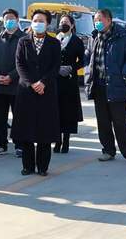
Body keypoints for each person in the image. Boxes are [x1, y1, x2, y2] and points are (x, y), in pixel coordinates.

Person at [11, 9, 61, 176]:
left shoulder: (54, 43)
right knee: (26, 130)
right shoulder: (23, 41)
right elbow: (19, 64)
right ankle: (28, 166)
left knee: (44, 131)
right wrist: (32, 82)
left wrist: (43, 82)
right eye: (35, 20)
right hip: (26, 91)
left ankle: (42, 167)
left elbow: (55, 66)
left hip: (46, 91)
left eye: (41, 21)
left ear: (47, 24)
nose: (37, 24)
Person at [86, 9, 126, 164]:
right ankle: (108, 150)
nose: (97, 23)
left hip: (116, 84)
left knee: (120, 121)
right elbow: (88, 57)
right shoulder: (94, 37)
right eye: (95, 20)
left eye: (100, 19)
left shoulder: (123, 36)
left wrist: (123, 75)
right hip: (98, 85)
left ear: (109, 20)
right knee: (103, 121)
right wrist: (88, 74)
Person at [0, 9, 26, 157]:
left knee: (19, 117)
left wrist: (11, 76)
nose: (9, 21)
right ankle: (1, 145)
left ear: (17, 20)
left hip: (17, 85)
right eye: (6, 19)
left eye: (11, 18)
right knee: (0, 117)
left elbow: (25, 62)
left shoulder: (24, 39)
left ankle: (20, 145)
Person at [54, 14, 85, 154]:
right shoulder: (54, 40)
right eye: (61, 22)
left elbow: (82, 60)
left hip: (70, 80)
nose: (63, 24)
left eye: (66, 22)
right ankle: (57, 140)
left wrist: (72, 67)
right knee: (56, 110)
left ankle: (66, 140)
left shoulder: (77, 41)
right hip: (55, 80)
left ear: (72, 25)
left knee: (68, 111)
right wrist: (56, 69)